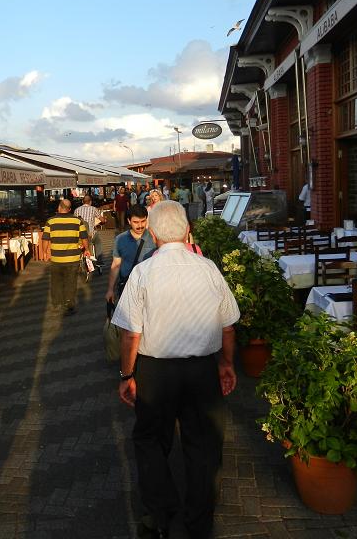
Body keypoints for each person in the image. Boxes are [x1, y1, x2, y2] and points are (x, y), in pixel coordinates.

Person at [112, 200, 239, 539]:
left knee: (151, 440)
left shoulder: (142, 272)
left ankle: (161, 515)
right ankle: (199, 521)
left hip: (155, 372)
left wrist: (127, 375)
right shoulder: (208, 268)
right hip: (202, 371)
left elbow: (130, 333)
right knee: (204, 443)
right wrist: (226, 363)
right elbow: (228, 326)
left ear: (152, 233)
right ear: (187, 231)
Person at [42, 199, 90, 317]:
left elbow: (45, 239)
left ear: (59, 207)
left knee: (57, 281)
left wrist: (45, 252)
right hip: (72, 258)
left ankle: (57, 304)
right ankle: (69, 306)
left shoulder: (50, 221)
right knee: (71, 282)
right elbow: (84, 237)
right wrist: (87, 249)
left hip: (56, 258)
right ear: (69, 209)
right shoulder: (77, 221)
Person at [105, 204, 156, 303]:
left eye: (143, 221)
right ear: (129, 221)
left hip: (151, 287)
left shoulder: (154, 237)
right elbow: (116, 264)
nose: (140, 225)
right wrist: (110, 289)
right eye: (136, 222)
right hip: (127, 287)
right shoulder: (120, 239)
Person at [74, 195, 104, 264]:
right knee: (98, 242)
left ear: (82, 201)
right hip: (90, 235)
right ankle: (99, 261)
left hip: (79, 236)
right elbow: (102, 220)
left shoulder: (76, 210)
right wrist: (104, 220)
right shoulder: (93, 209)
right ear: (90, 202)